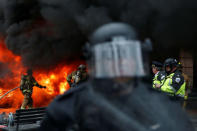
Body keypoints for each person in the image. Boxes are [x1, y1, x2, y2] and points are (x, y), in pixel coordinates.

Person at [40, 23, 194, 131]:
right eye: (110, 57)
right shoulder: (65, 109)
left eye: (128, 55)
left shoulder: (164, 106)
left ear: (138, 59)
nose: (121, 64)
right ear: (96, 61)